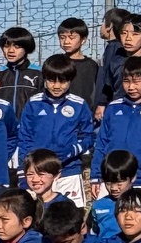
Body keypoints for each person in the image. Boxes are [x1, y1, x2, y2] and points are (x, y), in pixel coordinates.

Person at [16, 54, 95, 200]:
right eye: (52, 80)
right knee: (37, 211)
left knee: (69, 212)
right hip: (38, 173)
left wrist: (72, 150)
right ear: (45, 79)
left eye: (62, 81)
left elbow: (88, 136)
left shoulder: (79, 104)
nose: (57, 86)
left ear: (70, 80)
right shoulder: (33, 103)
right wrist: (24, 171)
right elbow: (24, 139)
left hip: (69, 171)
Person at [92, 55, 141, 189]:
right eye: (126, 81)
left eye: (136, 82)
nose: (131, 87)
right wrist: (96, 176)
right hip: (112, 178)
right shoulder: (113, 108)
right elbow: (101, 143)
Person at [53, 18, 99, 122]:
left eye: (71, 37)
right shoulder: (56, 63)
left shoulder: (91, 65)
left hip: (85, 115)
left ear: (83, 40)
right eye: (62, 37)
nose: (66, 41)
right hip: (60, 114)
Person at [0, 27, 40, 114]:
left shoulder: (39, 73)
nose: (11, 50)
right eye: (6, 46)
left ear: (27, 48)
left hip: (29, 122)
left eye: (17, 47)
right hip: (3, 122)